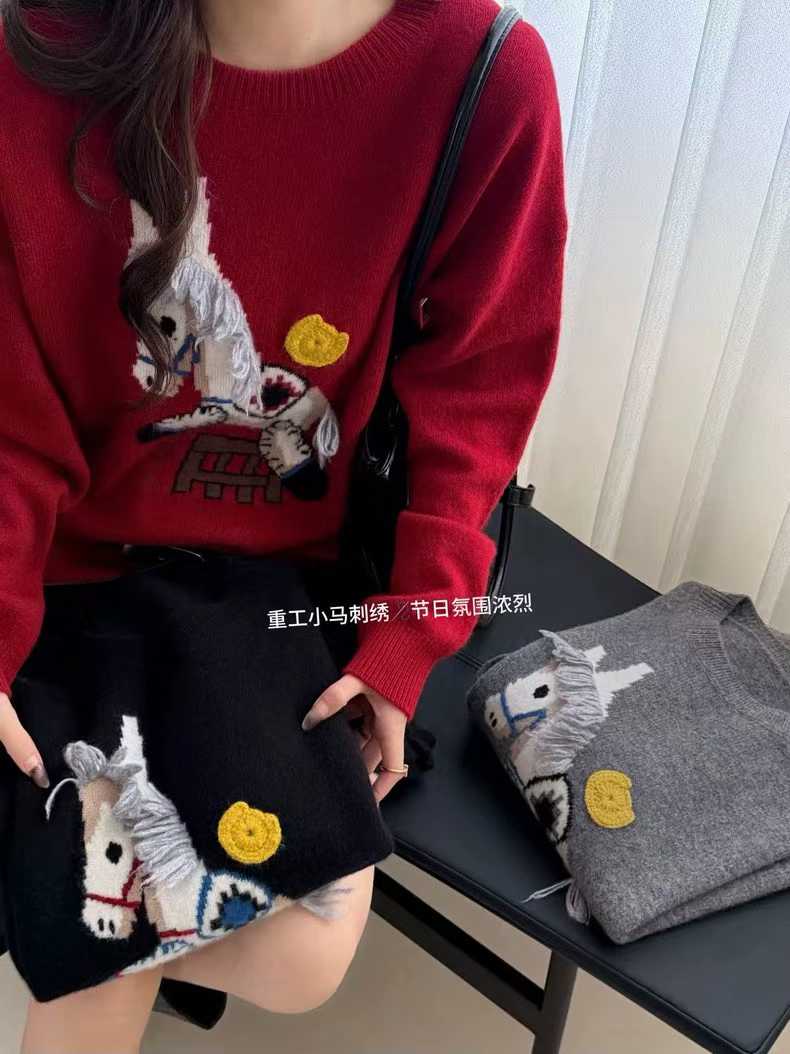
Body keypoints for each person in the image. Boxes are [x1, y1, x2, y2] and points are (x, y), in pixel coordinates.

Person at [0, 0, 568, 1050]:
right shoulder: (42, 50)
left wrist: (409, 633)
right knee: (96, 923)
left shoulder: (483, 73)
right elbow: (9, 418)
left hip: (279, 587)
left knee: (296, 951)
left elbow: (476, 398)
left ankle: (51, 915)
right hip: (62, 569)